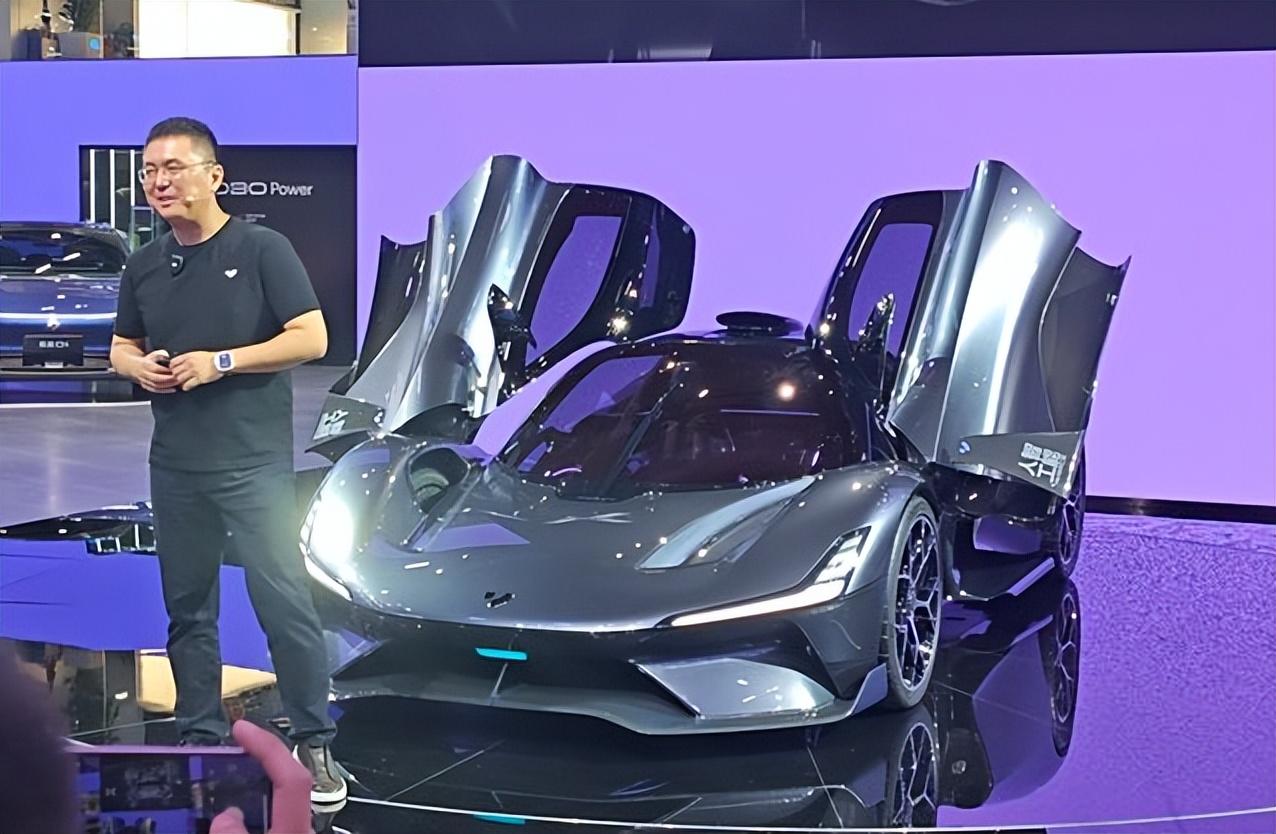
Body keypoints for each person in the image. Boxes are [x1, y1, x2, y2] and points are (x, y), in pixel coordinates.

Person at [109, 116, 346, 803]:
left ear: (214, 176)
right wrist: (138, 367)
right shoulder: (144, 264)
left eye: (173, 167)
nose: (158, 181)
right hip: (175, 465)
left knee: (284, 602)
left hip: (253, 465)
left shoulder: (262, 247)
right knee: (188, 611)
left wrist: (222, 362)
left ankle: (314, 740)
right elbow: (121, 345)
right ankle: (202, 740)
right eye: (149, 170)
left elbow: (311, 336)